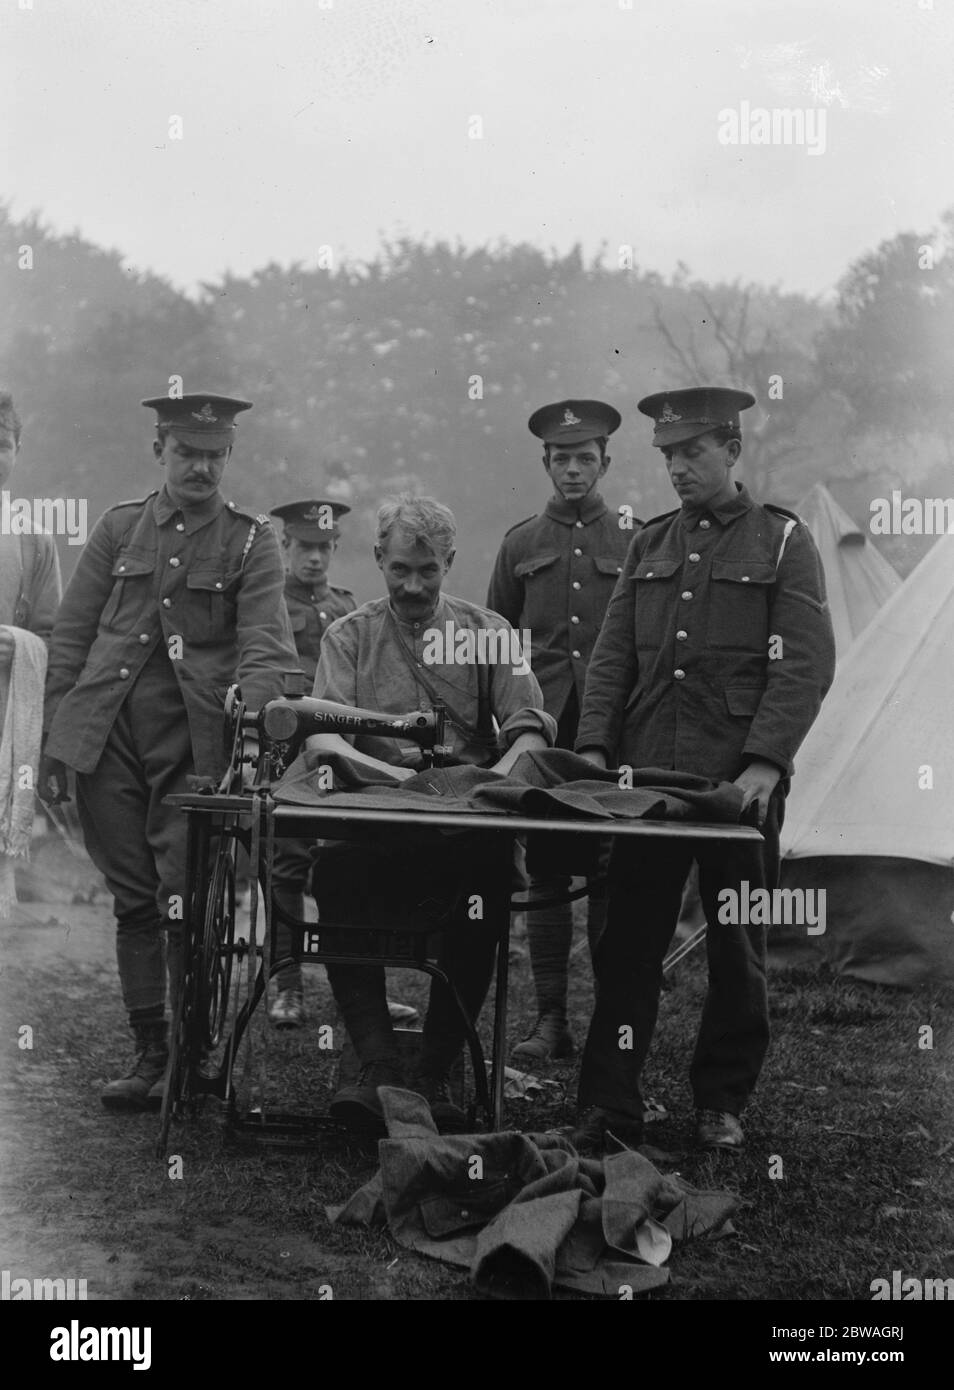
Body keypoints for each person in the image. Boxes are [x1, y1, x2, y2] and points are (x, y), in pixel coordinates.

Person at [573, 387, 836, 1152]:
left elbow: (806, 665)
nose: (678, 468)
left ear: (732, 450)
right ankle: (610, 1100)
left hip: (737, 791)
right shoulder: (649, 545)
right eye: (668, 455)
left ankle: (720, 1100)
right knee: (628, 944)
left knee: (737, 946)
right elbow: (612, 658)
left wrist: (763, 765)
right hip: (650, 783)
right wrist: (594, 752)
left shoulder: (783, 543)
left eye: (692, 452)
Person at [38, 392, 299, 1111]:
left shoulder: (252, 542)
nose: (203, 468)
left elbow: (266, 646)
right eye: (189, 453)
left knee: (181, 898)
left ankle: (192, 1050)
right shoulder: (119, 527)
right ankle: (151, 1051)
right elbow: (72, 635)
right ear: (161, 451)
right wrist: (57, 742)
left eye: (216, 456)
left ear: (228, 458)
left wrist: (252, 705)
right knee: (133, 899)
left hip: (194, 748)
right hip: (107, 737)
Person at [305, 494, 557, 1132]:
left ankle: (439, 1064)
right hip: (375, 820)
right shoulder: (350, 637)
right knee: (334, 875)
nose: (413, 586)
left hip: (461, 827)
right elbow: (324, 734)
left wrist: (489, 784)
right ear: (377, 561)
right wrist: (389, 776)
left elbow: (531, 728)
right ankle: (376, 1061)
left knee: (489, 881)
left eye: (428, 572)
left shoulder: (489, 634)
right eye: (398, 572)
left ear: (450, 562)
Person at [487, 400, 636, 1063]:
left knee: (612, 868)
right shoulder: (521, 544)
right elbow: (494, 642)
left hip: (615, 727)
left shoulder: (636, 539)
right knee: (545, 867)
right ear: (544, 463)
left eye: (585, 458)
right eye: (561, 459)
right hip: (543, 731)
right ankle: (551, 1021)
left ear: (605, 461)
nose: (573, 470)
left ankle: (610, 1019)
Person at [266, 498, 356, 1027]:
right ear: (286, 546)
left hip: (340, 750)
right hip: (285, 751)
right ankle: (288, 985)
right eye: (305, 547)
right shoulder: (269, 603)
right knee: (288, 866)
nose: (315, 559)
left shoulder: (347, 607)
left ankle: (357, 984)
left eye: (324, 548)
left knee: (348, 860)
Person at [0, 392, 63, 915]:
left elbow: (52, 635)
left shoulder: (34, 542)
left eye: (1, 444)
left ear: (17, 450)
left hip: (5, 714)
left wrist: (19, 645)